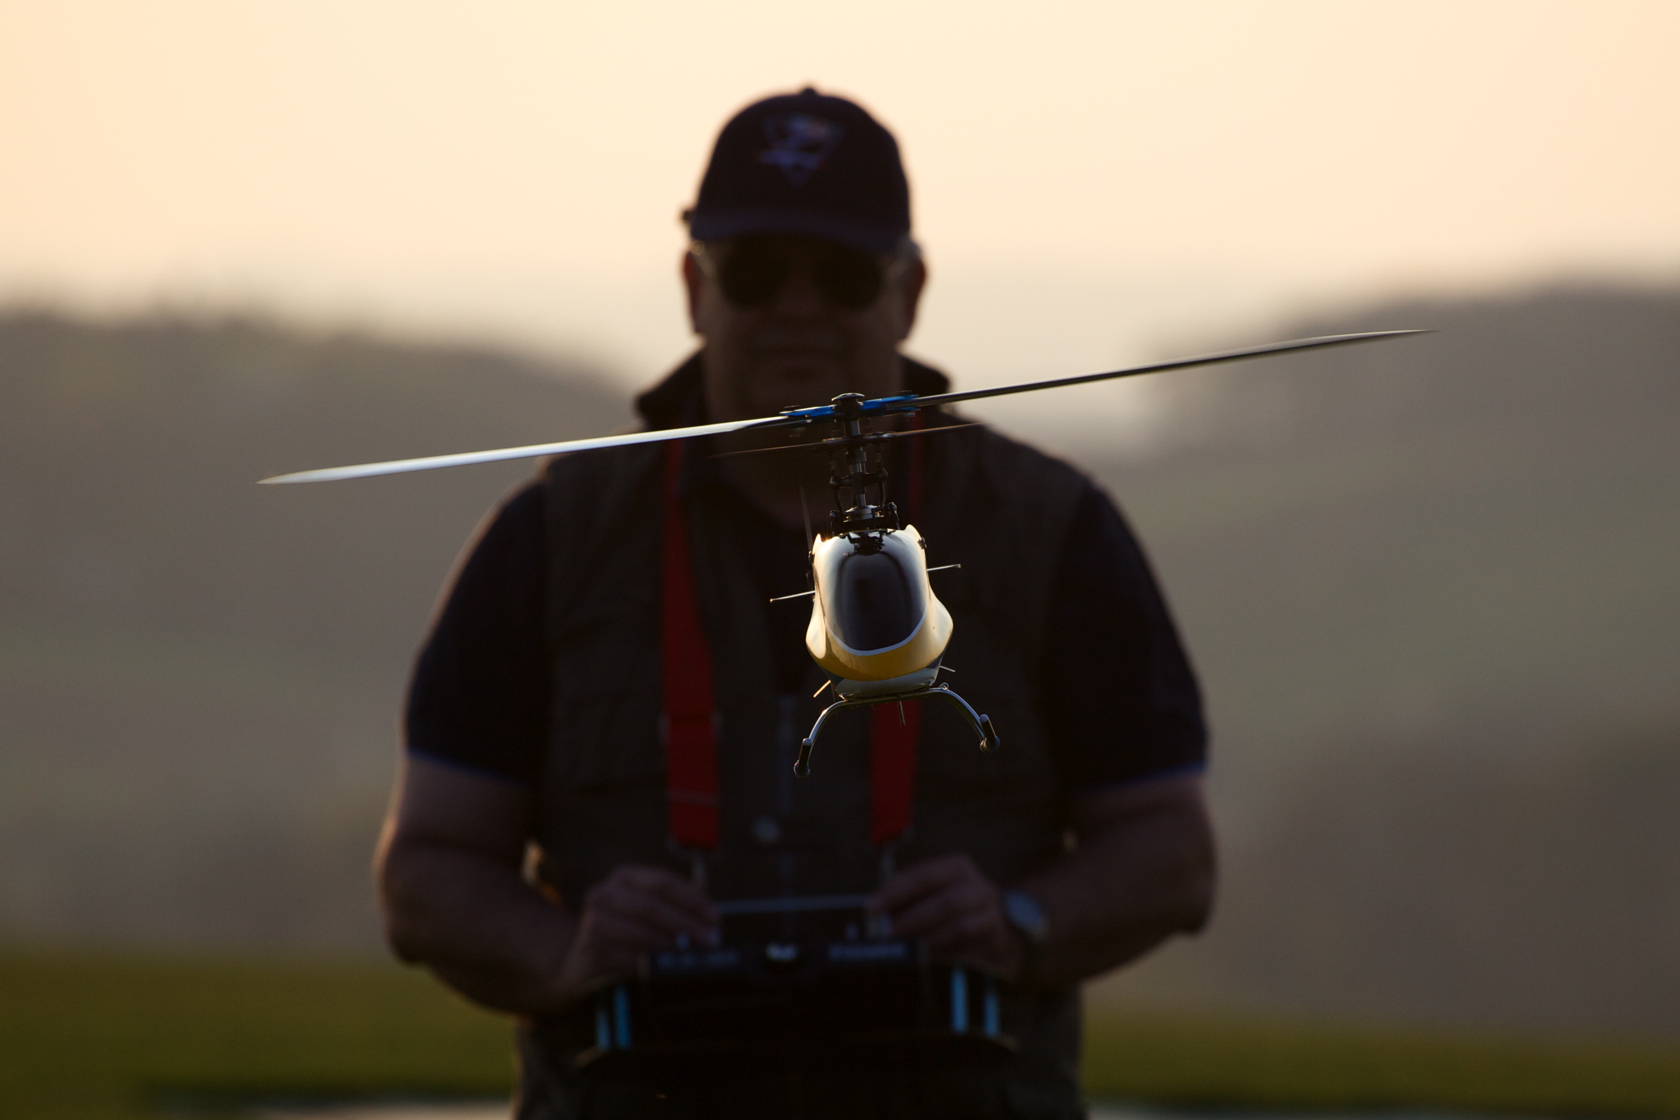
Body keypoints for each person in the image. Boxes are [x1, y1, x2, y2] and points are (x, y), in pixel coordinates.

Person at [376, 88, 1216, 1120]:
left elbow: (1173, 854)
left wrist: (1018, 922)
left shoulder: (1054, 530)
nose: (801, 306)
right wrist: (564, 951)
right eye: (758, 270)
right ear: (695, 285)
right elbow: (425, 870)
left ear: (910, 290)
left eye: (845, 273)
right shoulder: (550, 538)